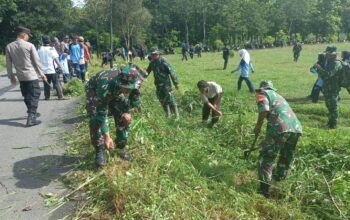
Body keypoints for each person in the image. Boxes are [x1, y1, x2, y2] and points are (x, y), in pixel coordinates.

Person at [85, 64, 142, 166]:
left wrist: (128, 111)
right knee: (95, 120)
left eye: (130, 87)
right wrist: (107, 136)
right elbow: (102, 113)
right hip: (94, 91)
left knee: (124, 118)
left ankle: (120, 146)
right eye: (125, 87)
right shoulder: (105, 85)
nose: (127, 90)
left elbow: (135, 95)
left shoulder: (136, 80)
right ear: (119, 82)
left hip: (115, 91)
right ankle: (100, 149)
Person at [254, 80, 302, 197]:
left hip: (280, 127)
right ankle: (280, 184)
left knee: (267, 157)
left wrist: (258, 126)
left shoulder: (262, 93)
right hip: (296, 128)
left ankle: (264, 190)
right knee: (286, 156)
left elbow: (264, 110)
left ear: (262, 87)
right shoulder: (278, 96)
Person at [5, 26, 47, 127]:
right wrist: (42, 74)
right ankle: (31, 118)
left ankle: (31, 112)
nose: (28, 37)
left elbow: (8, 64)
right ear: (23, 34)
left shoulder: (9, 46)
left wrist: (11, 76)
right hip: (31, 75)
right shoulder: (29, 46)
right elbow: (37, 62)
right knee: (35, 94)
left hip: (20, 76)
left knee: (27, 96)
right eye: (28, 35)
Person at [313, 46, 343, 129]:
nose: (326, 55)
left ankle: (333, 125)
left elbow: (328, 74)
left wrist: (319, 68)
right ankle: (330, 123)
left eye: (328, 54)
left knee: (333, 107)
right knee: (329, 106)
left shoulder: (336, 63)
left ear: (333, 55)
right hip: (327, 88)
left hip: (333, 89)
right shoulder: (329, 62)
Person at [146, 47, 180, 119]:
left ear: (158, 54)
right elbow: (147, 72)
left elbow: (171, 71)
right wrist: (140, 79)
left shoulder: (163, 61)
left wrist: (176, 83)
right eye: (152, 54)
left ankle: (177, 116)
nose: (154, 55)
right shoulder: (152, 62)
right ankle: (168, 115)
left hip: (166, 84)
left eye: (155, 54)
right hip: (158, 85)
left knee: (170, 99)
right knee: (162, 100)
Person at [37, 35, 67, 100]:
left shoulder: (39, 49)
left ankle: (47, 97)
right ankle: (60, 96)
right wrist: (61, 68)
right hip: (51, 70)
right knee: (56, 83)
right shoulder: (51, 49)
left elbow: (37, 60)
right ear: (49, 41)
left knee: (46, 84)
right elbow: (56, 60)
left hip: (44, 71)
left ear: (43, 41)